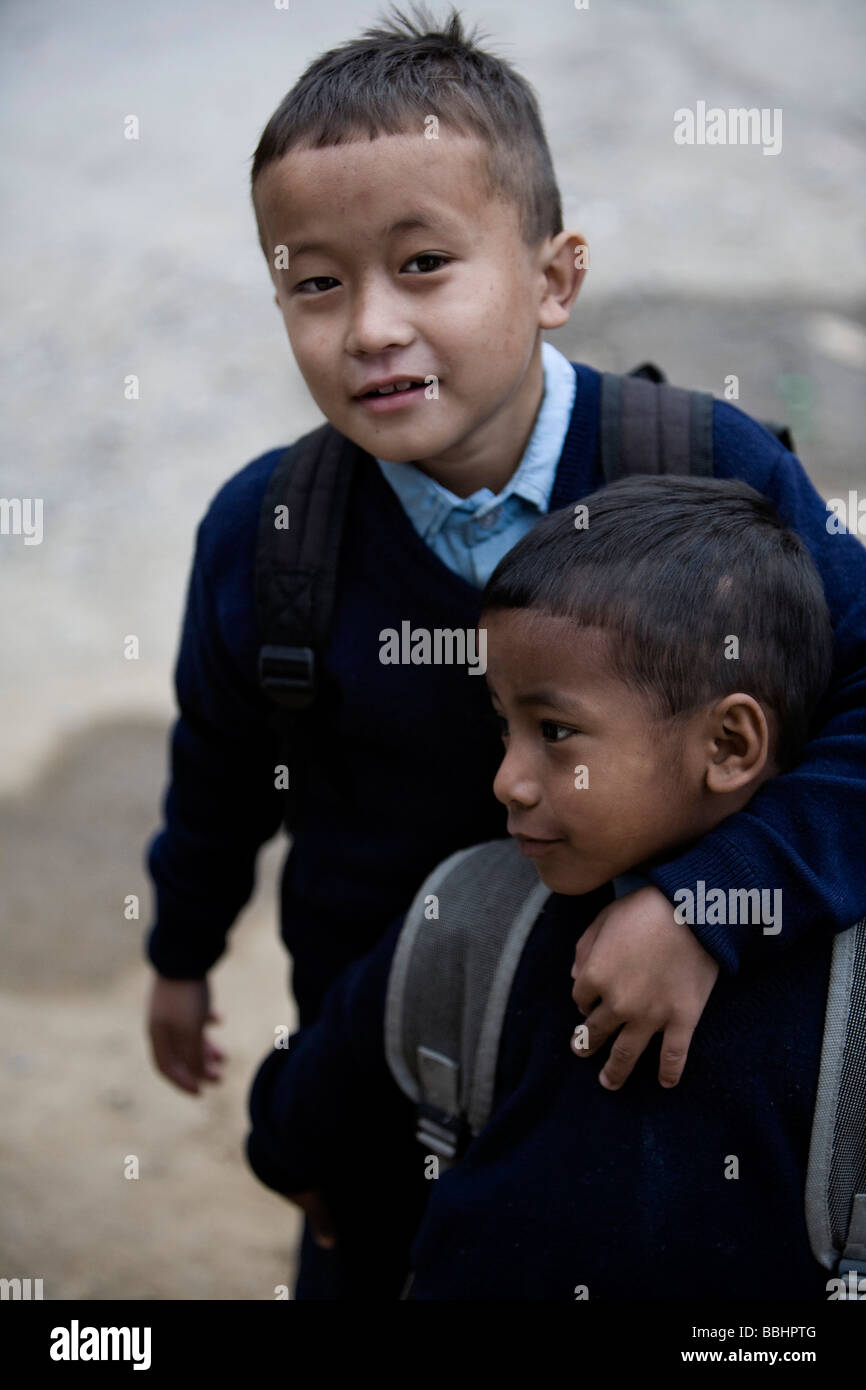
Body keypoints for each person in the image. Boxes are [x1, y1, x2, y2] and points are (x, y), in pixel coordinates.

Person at [144, 7, 866, 1297]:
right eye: (314, 282)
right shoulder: (271, 541)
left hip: (657, 1060)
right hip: (387, 1063)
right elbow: (215, 768)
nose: (366, 326)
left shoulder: (706, 473)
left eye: (422, 263)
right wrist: (181, 954)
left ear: (552, 276)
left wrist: (710, 904)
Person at [246, 474, 840, 1300]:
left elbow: (293, 1133)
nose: (507, 781)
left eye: (555, 732)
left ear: (731, 745)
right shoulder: (481, 919)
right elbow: (308, 1115)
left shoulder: (475, 914)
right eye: (504, 725)